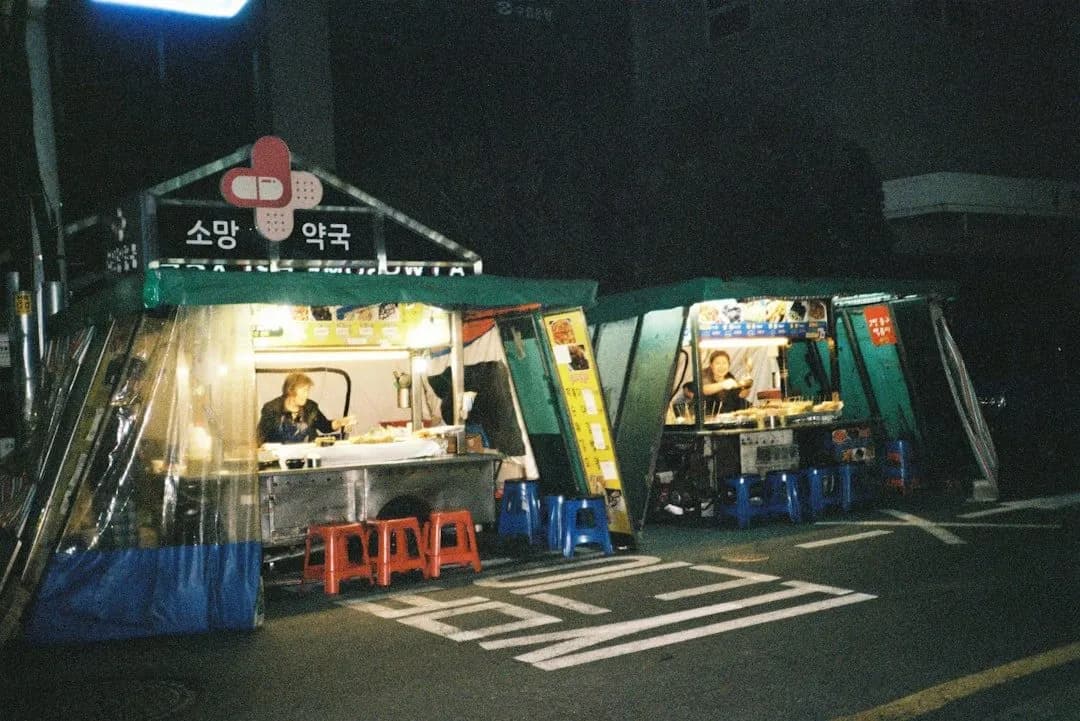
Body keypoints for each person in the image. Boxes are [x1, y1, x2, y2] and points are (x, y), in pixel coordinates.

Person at [258, 372, 354, 444]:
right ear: (291, 390)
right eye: (304, 391)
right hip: (280, 460)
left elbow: (325, 426)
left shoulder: (311, 407)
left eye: (308, 391)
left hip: (308, 457)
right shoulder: (271, 409)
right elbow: (259, 437)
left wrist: (341, 422)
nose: (307, 395)